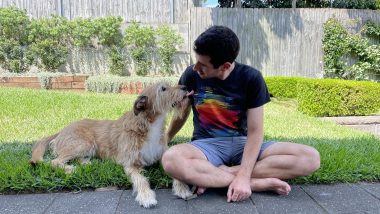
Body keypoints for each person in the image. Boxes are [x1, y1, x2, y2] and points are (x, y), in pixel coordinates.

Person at [161, 25, 320, 203]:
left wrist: (243, 175)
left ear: (225, 66)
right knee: (171, 159)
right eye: (196, 60)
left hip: (243, 144)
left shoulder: (251, 78)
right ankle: (258, 184)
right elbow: (182, 112)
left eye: (203, 65)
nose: (195, 67)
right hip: (206, 147)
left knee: (310, 158)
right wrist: (166, 137)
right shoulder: (191, 75)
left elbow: (255, 132)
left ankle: (217, 176)